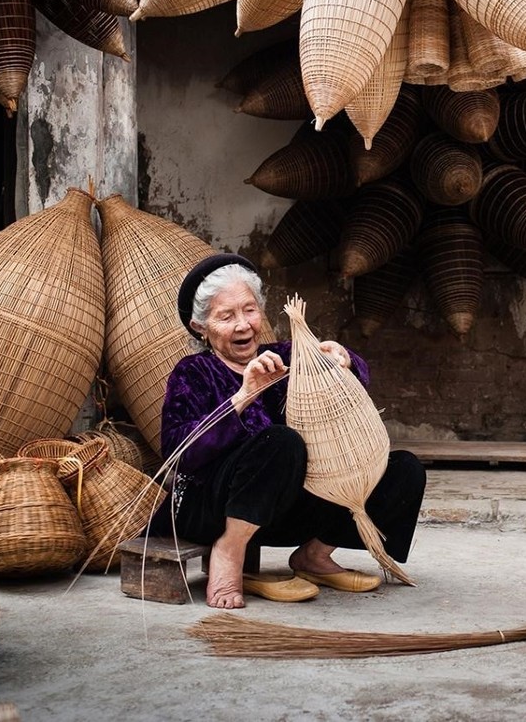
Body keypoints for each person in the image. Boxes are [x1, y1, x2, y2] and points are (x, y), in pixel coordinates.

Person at [161, 253, 426, 609]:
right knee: (280, 441)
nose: (243, 325)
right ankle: (229, 552)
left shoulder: (285, 356)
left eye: (250, 310)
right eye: (226, 316)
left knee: (402, 469)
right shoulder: (192, 372)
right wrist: (243, 396)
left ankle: (314, 556)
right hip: (211, 507)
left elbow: (356, 373)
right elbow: (178, 452)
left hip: (285, 508)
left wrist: (344, 362)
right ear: (200, 327)